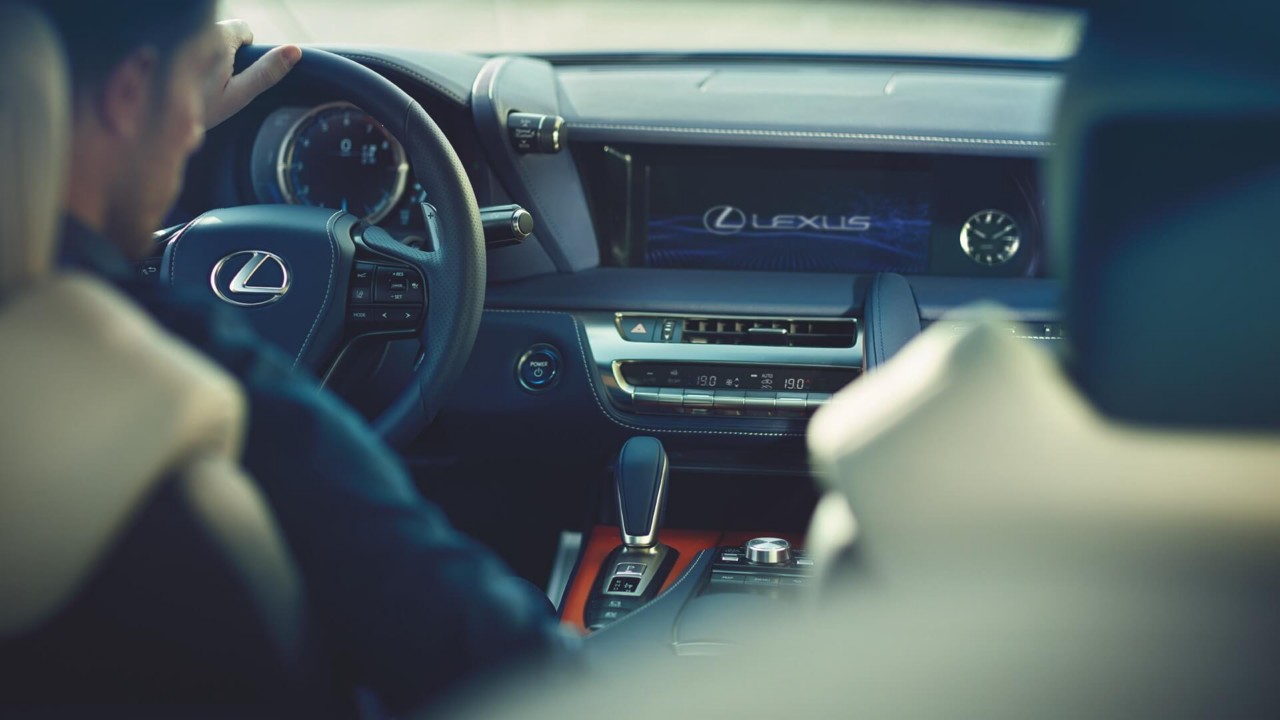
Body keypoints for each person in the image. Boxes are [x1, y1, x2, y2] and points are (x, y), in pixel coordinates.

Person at [35, 1, 576, 713]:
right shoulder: (197, 374)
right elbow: (490, 655)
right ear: (130, 93)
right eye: (188, 89)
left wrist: (152, 122)